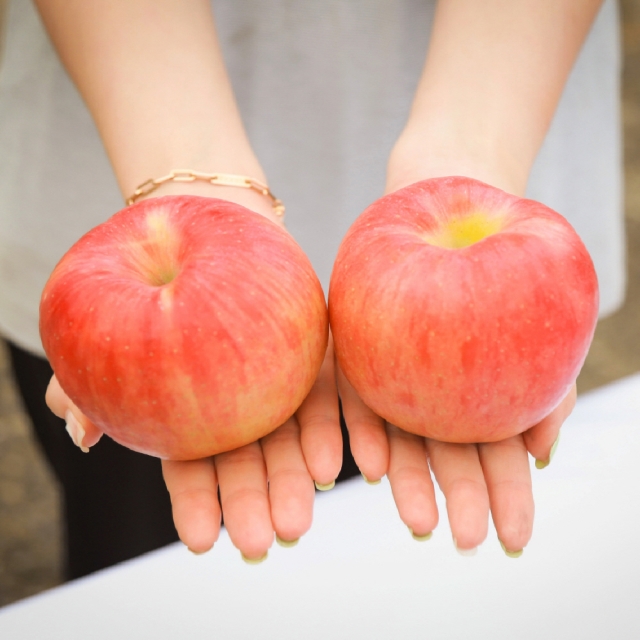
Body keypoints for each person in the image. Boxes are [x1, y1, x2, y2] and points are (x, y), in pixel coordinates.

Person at [0, 0, 624, 572]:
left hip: (511, 78)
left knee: (398, 582)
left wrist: (472, 151)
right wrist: (178, 164)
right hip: (126, 109)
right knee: (143, 569)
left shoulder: (517, 270)